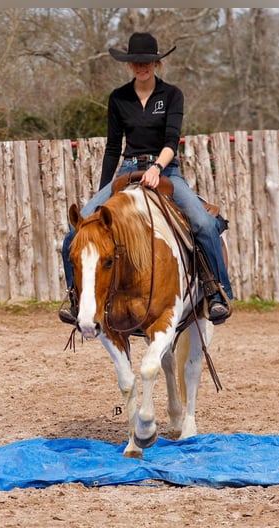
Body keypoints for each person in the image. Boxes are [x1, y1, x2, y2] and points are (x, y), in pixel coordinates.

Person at [60, 32, 233, 326]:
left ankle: (217, 292)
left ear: (157, 63)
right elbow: (114, 147)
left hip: (166, 172)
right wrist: (105, 189)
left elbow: (171, 139)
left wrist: (156, 167)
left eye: (148, 62)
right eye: (137, 62)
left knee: (204, 224)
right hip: (127, 171)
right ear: (129, 65)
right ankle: (76, 299)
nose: (142, 67)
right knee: (74, 233)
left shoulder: (172, 95)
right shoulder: (118, 98)